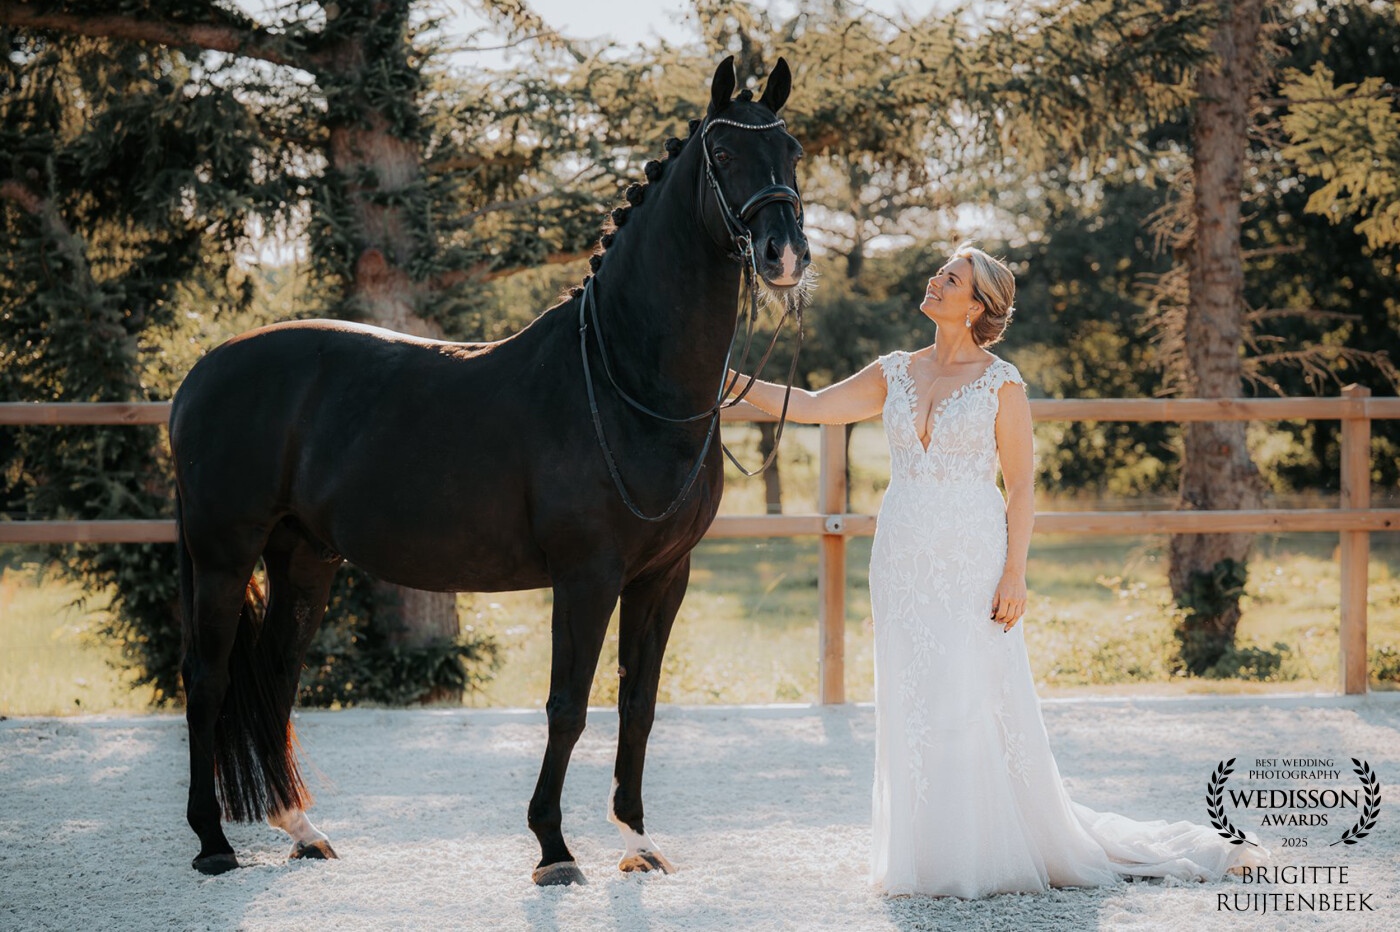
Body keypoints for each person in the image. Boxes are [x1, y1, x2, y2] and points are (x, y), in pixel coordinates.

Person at [726, 240, 1270, 899]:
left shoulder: (1000, 383)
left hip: (973, 558)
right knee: (915, 696)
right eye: (939, 273)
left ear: (977, 305)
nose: (934, 281)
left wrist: (1015, 574)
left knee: (968, 695)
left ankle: (979, 852)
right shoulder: (895, 371)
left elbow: (1022, 488)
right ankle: (926, 853)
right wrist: (729, 381)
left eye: (950, 279)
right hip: (903, 559)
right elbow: (813, 406)